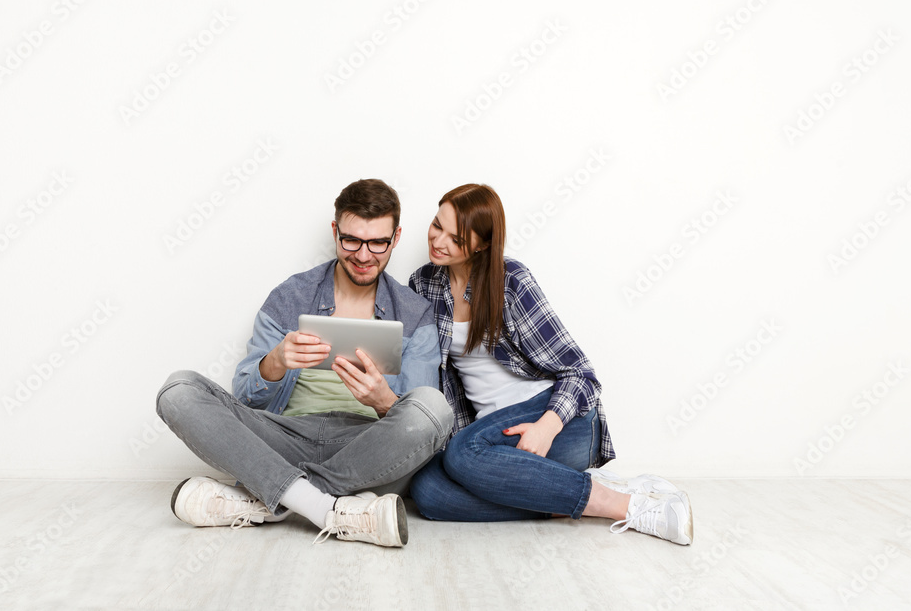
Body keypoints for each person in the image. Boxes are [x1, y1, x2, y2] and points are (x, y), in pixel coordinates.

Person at [157, 179, 453, 548]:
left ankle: (273, 498)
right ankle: (330, 508)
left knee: (436, 408)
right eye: (351, 240)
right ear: (334, 231)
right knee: (178, 389)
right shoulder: (289, 297)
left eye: (378, 242)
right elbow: (246, 401)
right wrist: (276, 362)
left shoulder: (415, 313)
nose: (364, 255)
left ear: (395, 238)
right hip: (284, 437)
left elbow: (420, 423)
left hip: (366, 449)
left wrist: (381, 401)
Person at [408, 184, 693, 545]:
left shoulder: (510, 281)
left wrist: (546, 426)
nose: (438, 240)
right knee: (428, 491)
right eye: (437, 225)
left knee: (462, 454)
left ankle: (627, 505)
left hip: (558, 423)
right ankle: (560, 493)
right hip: (489, 438)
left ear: (481, 244)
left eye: (457, 238)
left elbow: (581, 374)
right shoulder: (423, 284)